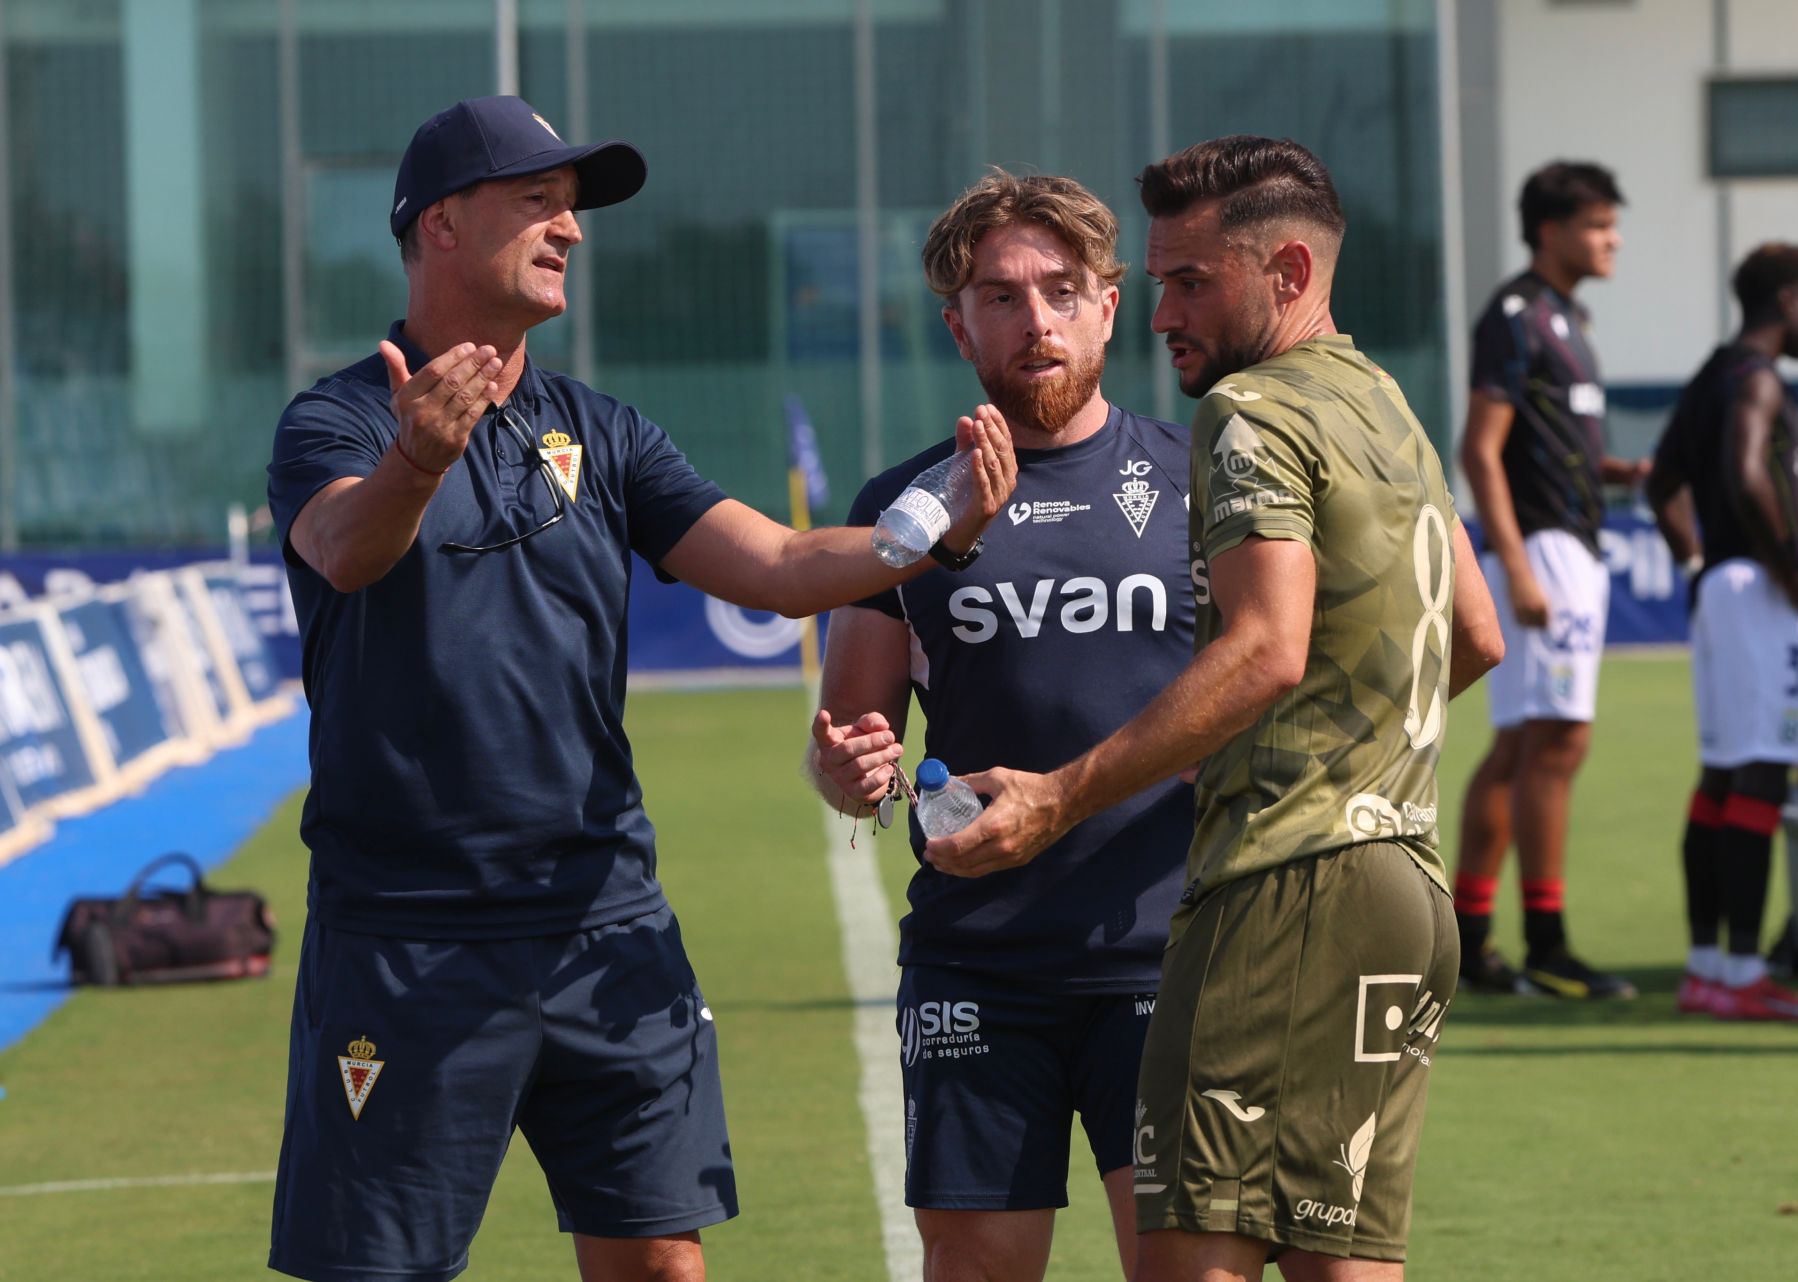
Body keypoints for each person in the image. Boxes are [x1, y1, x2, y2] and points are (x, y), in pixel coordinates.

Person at [262, 96, 1018, 1282]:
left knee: (664, 1261)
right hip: (411, 933)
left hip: (605, 923)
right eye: (538, 202)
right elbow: (348, 550)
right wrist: (419, 454)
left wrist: (927, 532)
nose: (570, 230)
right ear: (442, 224)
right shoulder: (340, 418)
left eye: (574, 210)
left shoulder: (598, 429)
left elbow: (772, 567)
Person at [922, 135, 1504, 1281]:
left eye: (1191, 281)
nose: (1163, 313)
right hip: (1406, 891)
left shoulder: (1251, 407)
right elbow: (1473, 637)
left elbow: (1263, 650)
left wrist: (1057, 799)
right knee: (1343, 1258)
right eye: (1157, 284)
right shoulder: (1384, 399)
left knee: (1195, 1257)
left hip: (1284, 886)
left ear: (1286, 272)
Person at [807, 169, 1195, 1282]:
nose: (1037, 319)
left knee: (1184, 1267)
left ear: (1110, 304)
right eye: (1001, 296)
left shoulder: (1200, 482)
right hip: (979, 960)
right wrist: (851, 767)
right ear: (956, 323)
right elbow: (851, 752)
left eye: (1062, 290)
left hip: (1169, 953)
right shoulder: (904, 508)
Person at [1453, 161, 1645, 1000]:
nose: (1614, 239)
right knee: (1552, 745)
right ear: (1552, 230)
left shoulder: (1569, 317)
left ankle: (1471, 939)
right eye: (1600, 224)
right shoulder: (1517, 314)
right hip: (1542, 553)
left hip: (1571, 545)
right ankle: (1547, 943)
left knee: (1527, 746)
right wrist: (1520, 567)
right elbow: (1479, 451)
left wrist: (1623, 470)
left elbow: (1554, 448)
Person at [1646, 241, 1798, 1023]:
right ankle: (1745, 973)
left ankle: (1707, 969)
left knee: (1722, 778)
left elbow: (1662, 484)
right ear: (1786, 300)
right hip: (1759, 591)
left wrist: (1698, 563)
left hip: (1721, 585)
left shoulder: (1711, 373)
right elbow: (1750, 471)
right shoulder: (1757, 378)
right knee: (1760, 775)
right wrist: (1793, 577)